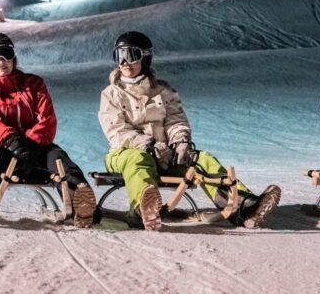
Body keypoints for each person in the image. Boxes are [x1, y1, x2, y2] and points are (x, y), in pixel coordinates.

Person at [98, 31, 281, 231]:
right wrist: (148, 145)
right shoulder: (111, 94)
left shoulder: (163, 90)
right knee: (138, 159)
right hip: (123, 155)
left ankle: (244, 207)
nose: (124, 62)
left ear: (145, 57)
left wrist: (179, 142)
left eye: (131, 55)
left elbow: (176, 120)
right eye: (119, 56)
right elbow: (116, 130)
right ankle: (141, 211)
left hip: (164, 156)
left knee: (202, 159)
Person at [0, 33, 96, 227]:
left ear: (13, 57)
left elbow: (46, 119)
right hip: (4, 149)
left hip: (37, 148)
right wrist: (12, 140)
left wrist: (30, 142)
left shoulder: (33, 83)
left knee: (58, 158)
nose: (1, 62)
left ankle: (80, 200)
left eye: (5, 54)